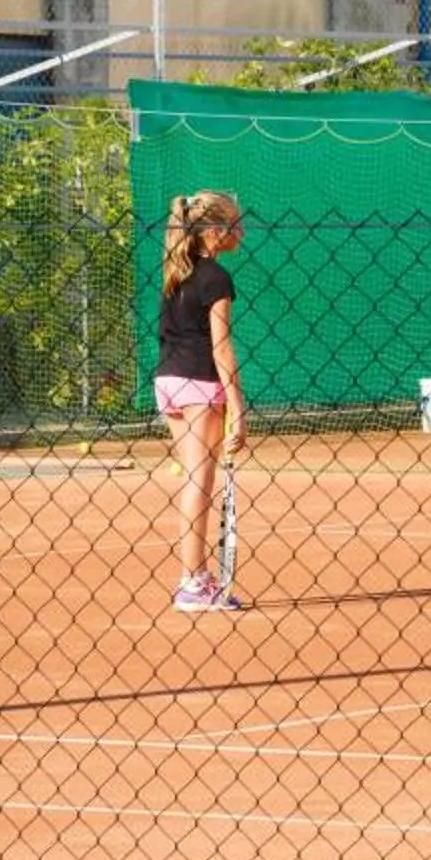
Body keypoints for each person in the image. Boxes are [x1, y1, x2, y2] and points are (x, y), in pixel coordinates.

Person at [156, 189, 252, 614]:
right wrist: (238, 408)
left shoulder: (176, 269)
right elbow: (221, 349)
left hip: (169, 383)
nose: (242, 231)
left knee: (194, 480)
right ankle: (192, 581)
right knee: (199, 483)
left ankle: (196, 577)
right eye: (235, 225)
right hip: (199, 384)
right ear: (215, 232)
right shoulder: (215, 278)